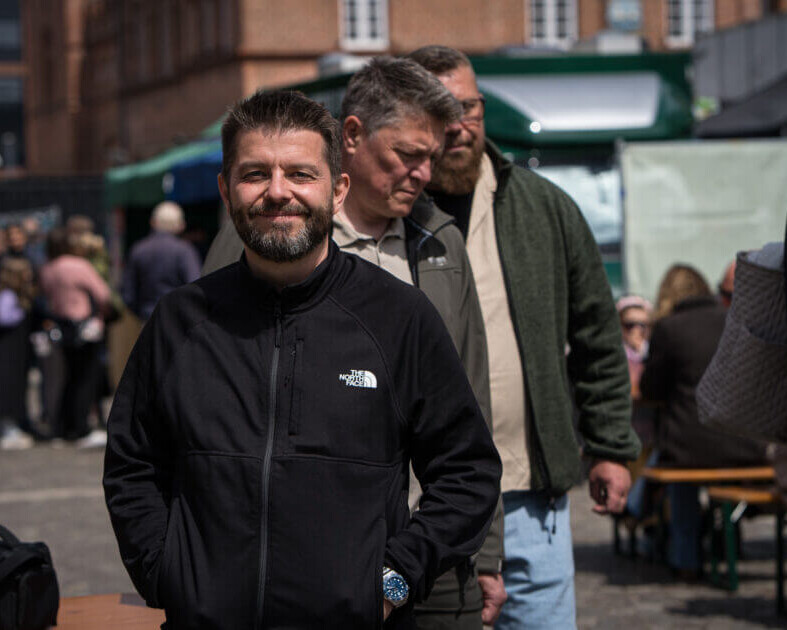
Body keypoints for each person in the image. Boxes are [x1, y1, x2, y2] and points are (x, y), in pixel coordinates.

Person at [104, 89, 501, 629]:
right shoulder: (180, 321)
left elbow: (468, 472)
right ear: (226, 190)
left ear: (337, 190)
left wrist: (395, 577)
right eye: (254, 174)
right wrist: (164, 571)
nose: (277, 192)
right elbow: (133, 464)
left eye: (300, 174)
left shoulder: (399, 317)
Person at [407, 45, 640, 630]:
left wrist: (610, 445)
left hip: (530, 491)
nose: (458, 125)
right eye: (439, 111)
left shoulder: (544, 207)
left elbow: (596, 335)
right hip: (423, 497)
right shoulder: (394, 214)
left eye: (469, 106)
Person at [640, 264, 767, 577]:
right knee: (692, 460)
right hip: (746, 443)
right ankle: (727, 539)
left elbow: (650, 389)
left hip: (690, 447)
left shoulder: (670, 328)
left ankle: (685, 558)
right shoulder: (735, 322)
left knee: (677, 470)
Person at [38, 228, 112, 445]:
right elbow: (103, 294)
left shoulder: (47, 269)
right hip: (84, 325)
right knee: (85, 377)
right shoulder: (79, 266)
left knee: (65, 378)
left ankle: (62, 426)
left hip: (60, 327)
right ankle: (81, 427)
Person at [120, 201, 201, 321]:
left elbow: (128, 295)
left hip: (147, 319)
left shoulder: (138, 250)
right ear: (180, 225)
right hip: (177, 321)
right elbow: (195, 286)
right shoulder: (184, 251)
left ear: (153, 222)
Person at [0, 257, 36, 450]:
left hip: (16, 350)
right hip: (8, 350)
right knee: (8, 387)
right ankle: (8, 428)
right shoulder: (8, 296)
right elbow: (4, 317)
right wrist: (21, 312)